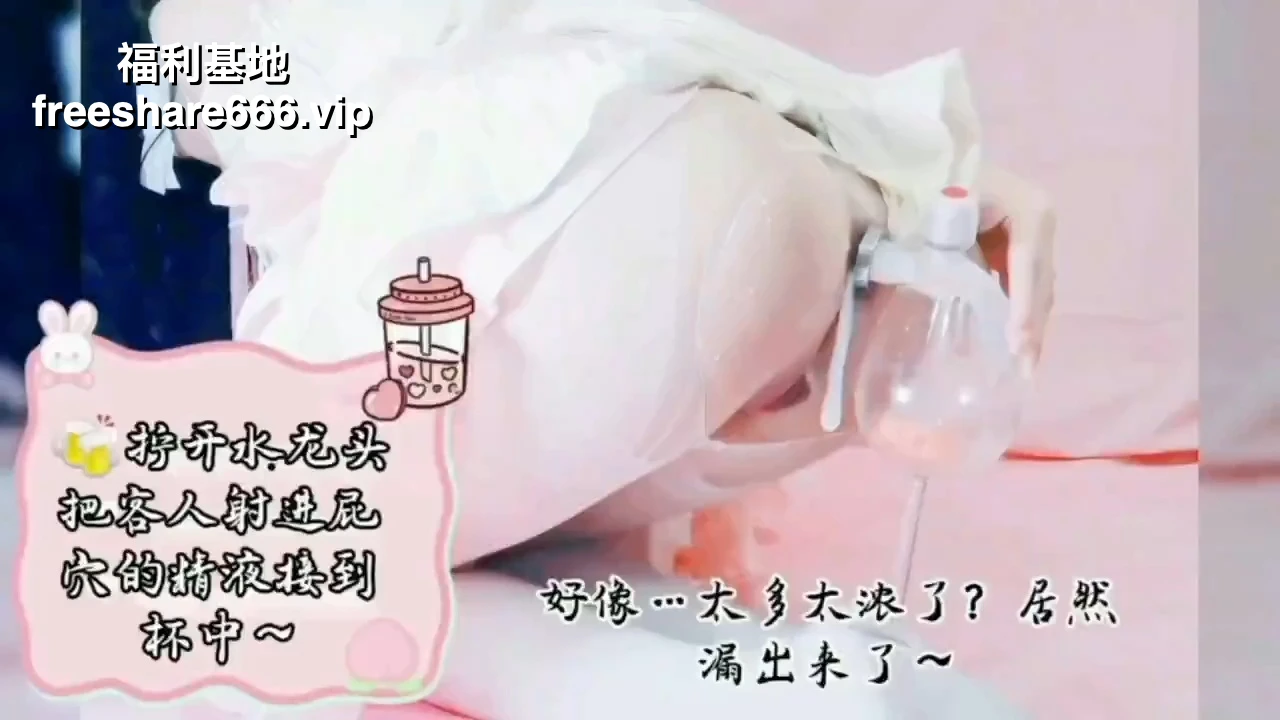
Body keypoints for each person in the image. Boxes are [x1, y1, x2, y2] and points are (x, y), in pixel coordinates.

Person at [125, 0, 1056, 716]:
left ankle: (696, 682)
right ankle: (792, 683)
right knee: (497, 568)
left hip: (609, 238)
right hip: (799, 207)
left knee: (264, 573)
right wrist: (914, 167)